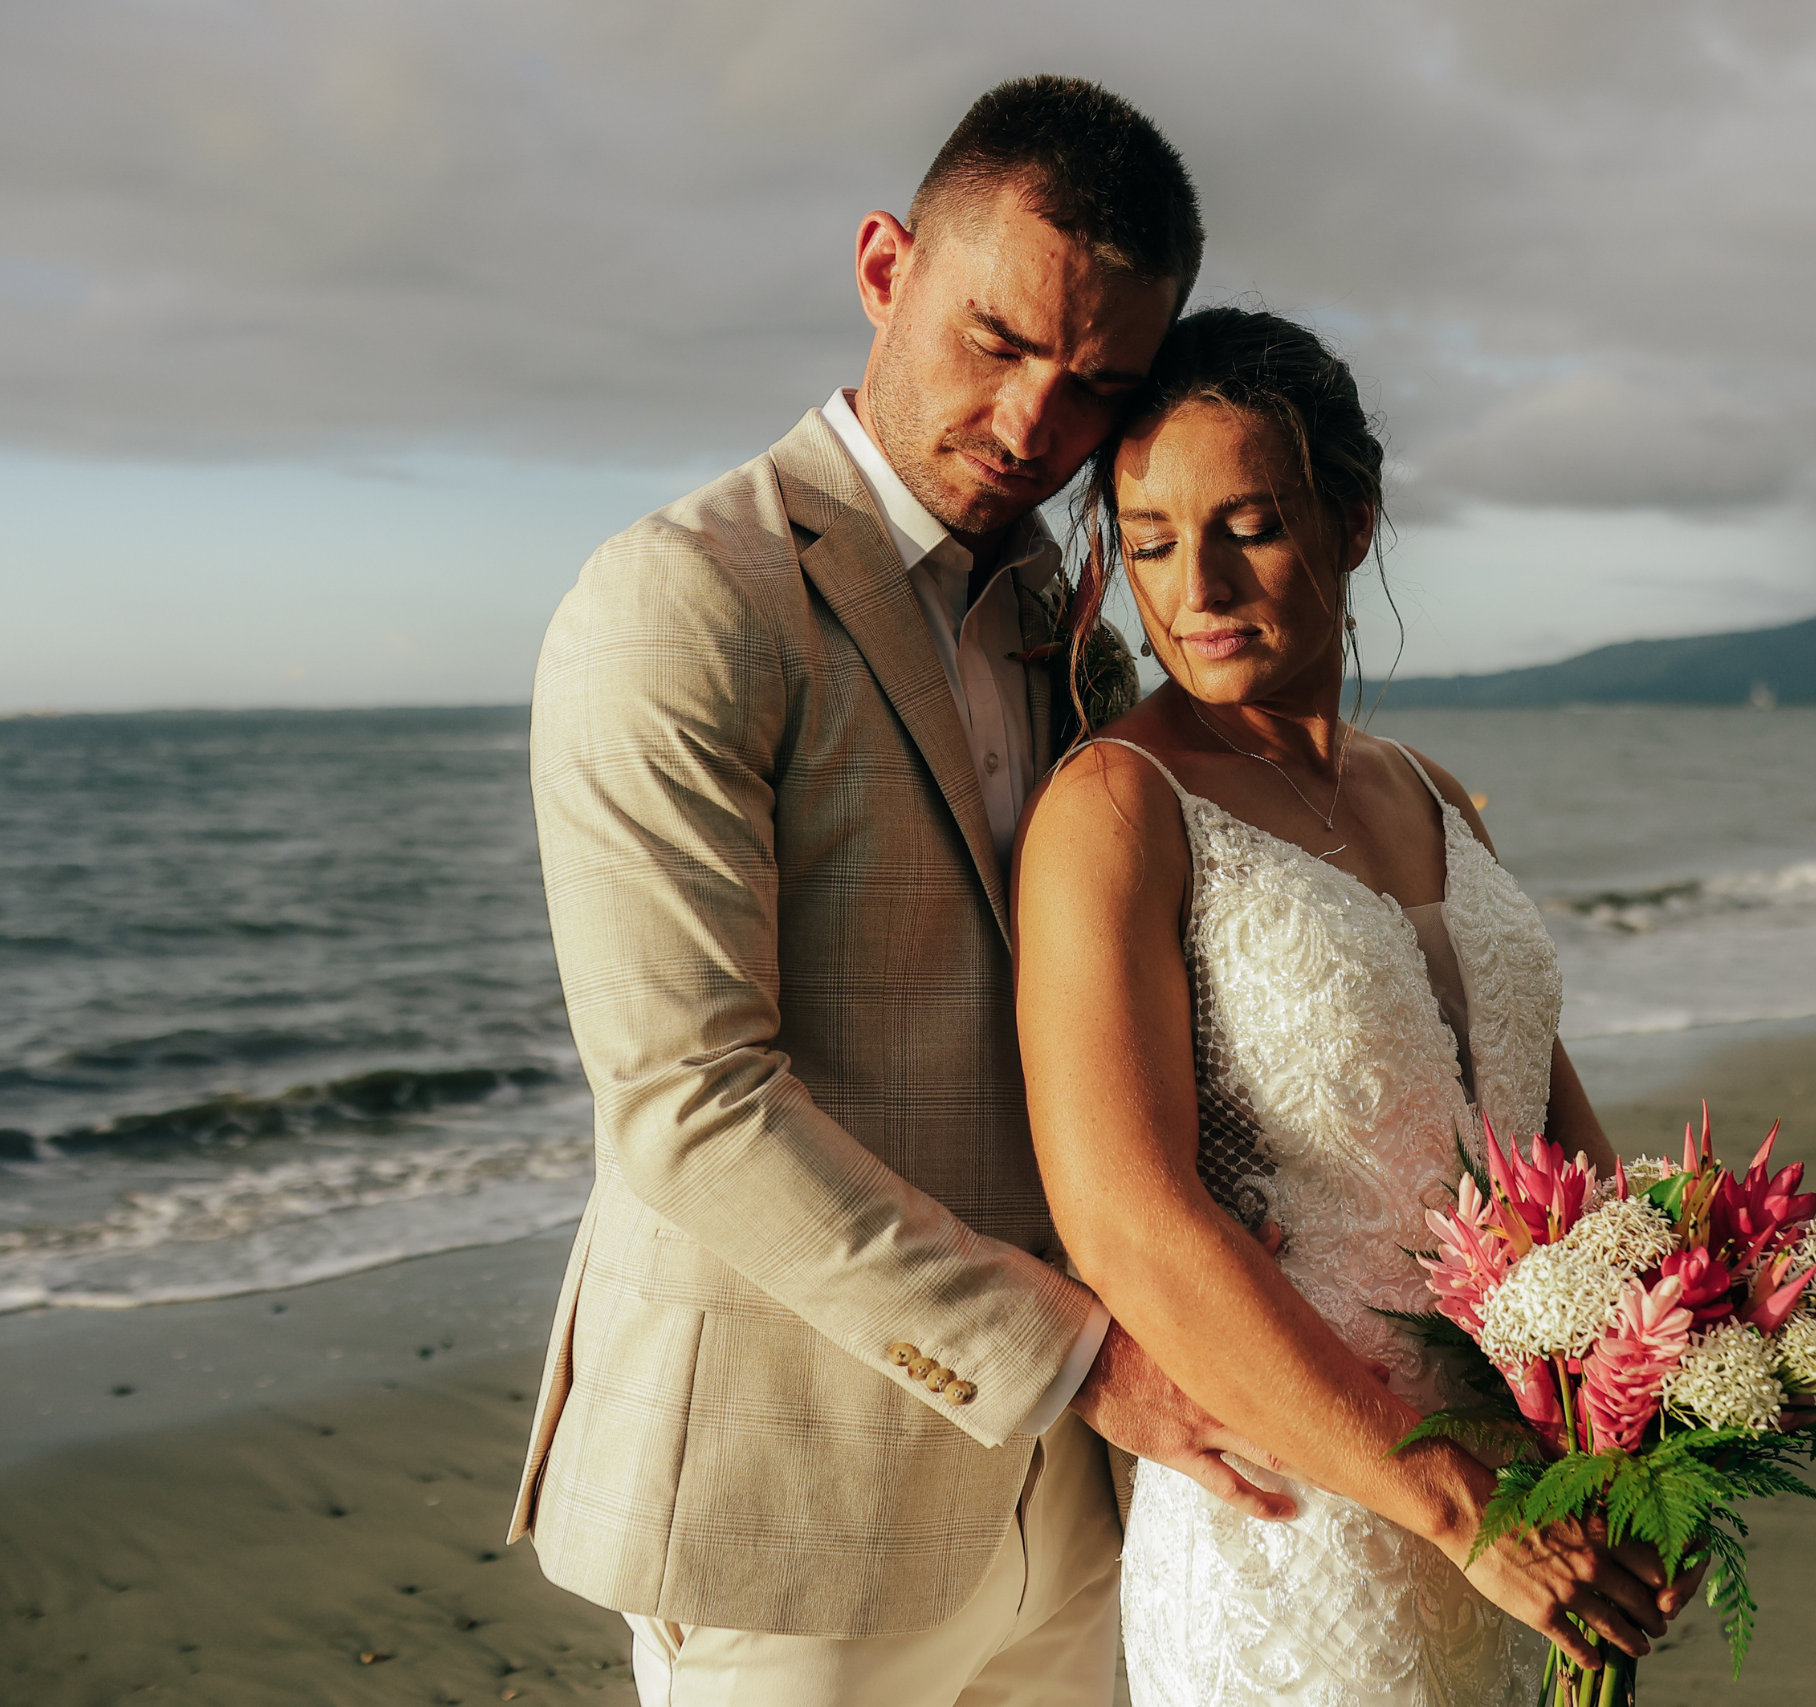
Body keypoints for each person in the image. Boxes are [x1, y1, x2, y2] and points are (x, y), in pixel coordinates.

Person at [508, 77, 1265, 1707]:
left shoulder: (1068, 629)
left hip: (1073, 1517)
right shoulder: (685, 599)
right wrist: (1076, 1360)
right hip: (787, 1517)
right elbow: (689, 1102)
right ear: (882, 266)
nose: (1032, 428)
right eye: (995, 343)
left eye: (1096, 389)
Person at [1013, 307, 1702, 1706]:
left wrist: (1652, 1438)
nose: (1193, 584)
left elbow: (1557, 1163)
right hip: (1295, 1520)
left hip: (1533, 1515)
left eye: (1248, 525)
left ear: (1355, 520)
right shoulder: (1116, 810)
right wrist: (1458, 1510)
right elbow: (1129, 1223)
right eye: (1146, 541)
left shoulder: (1436, 794)